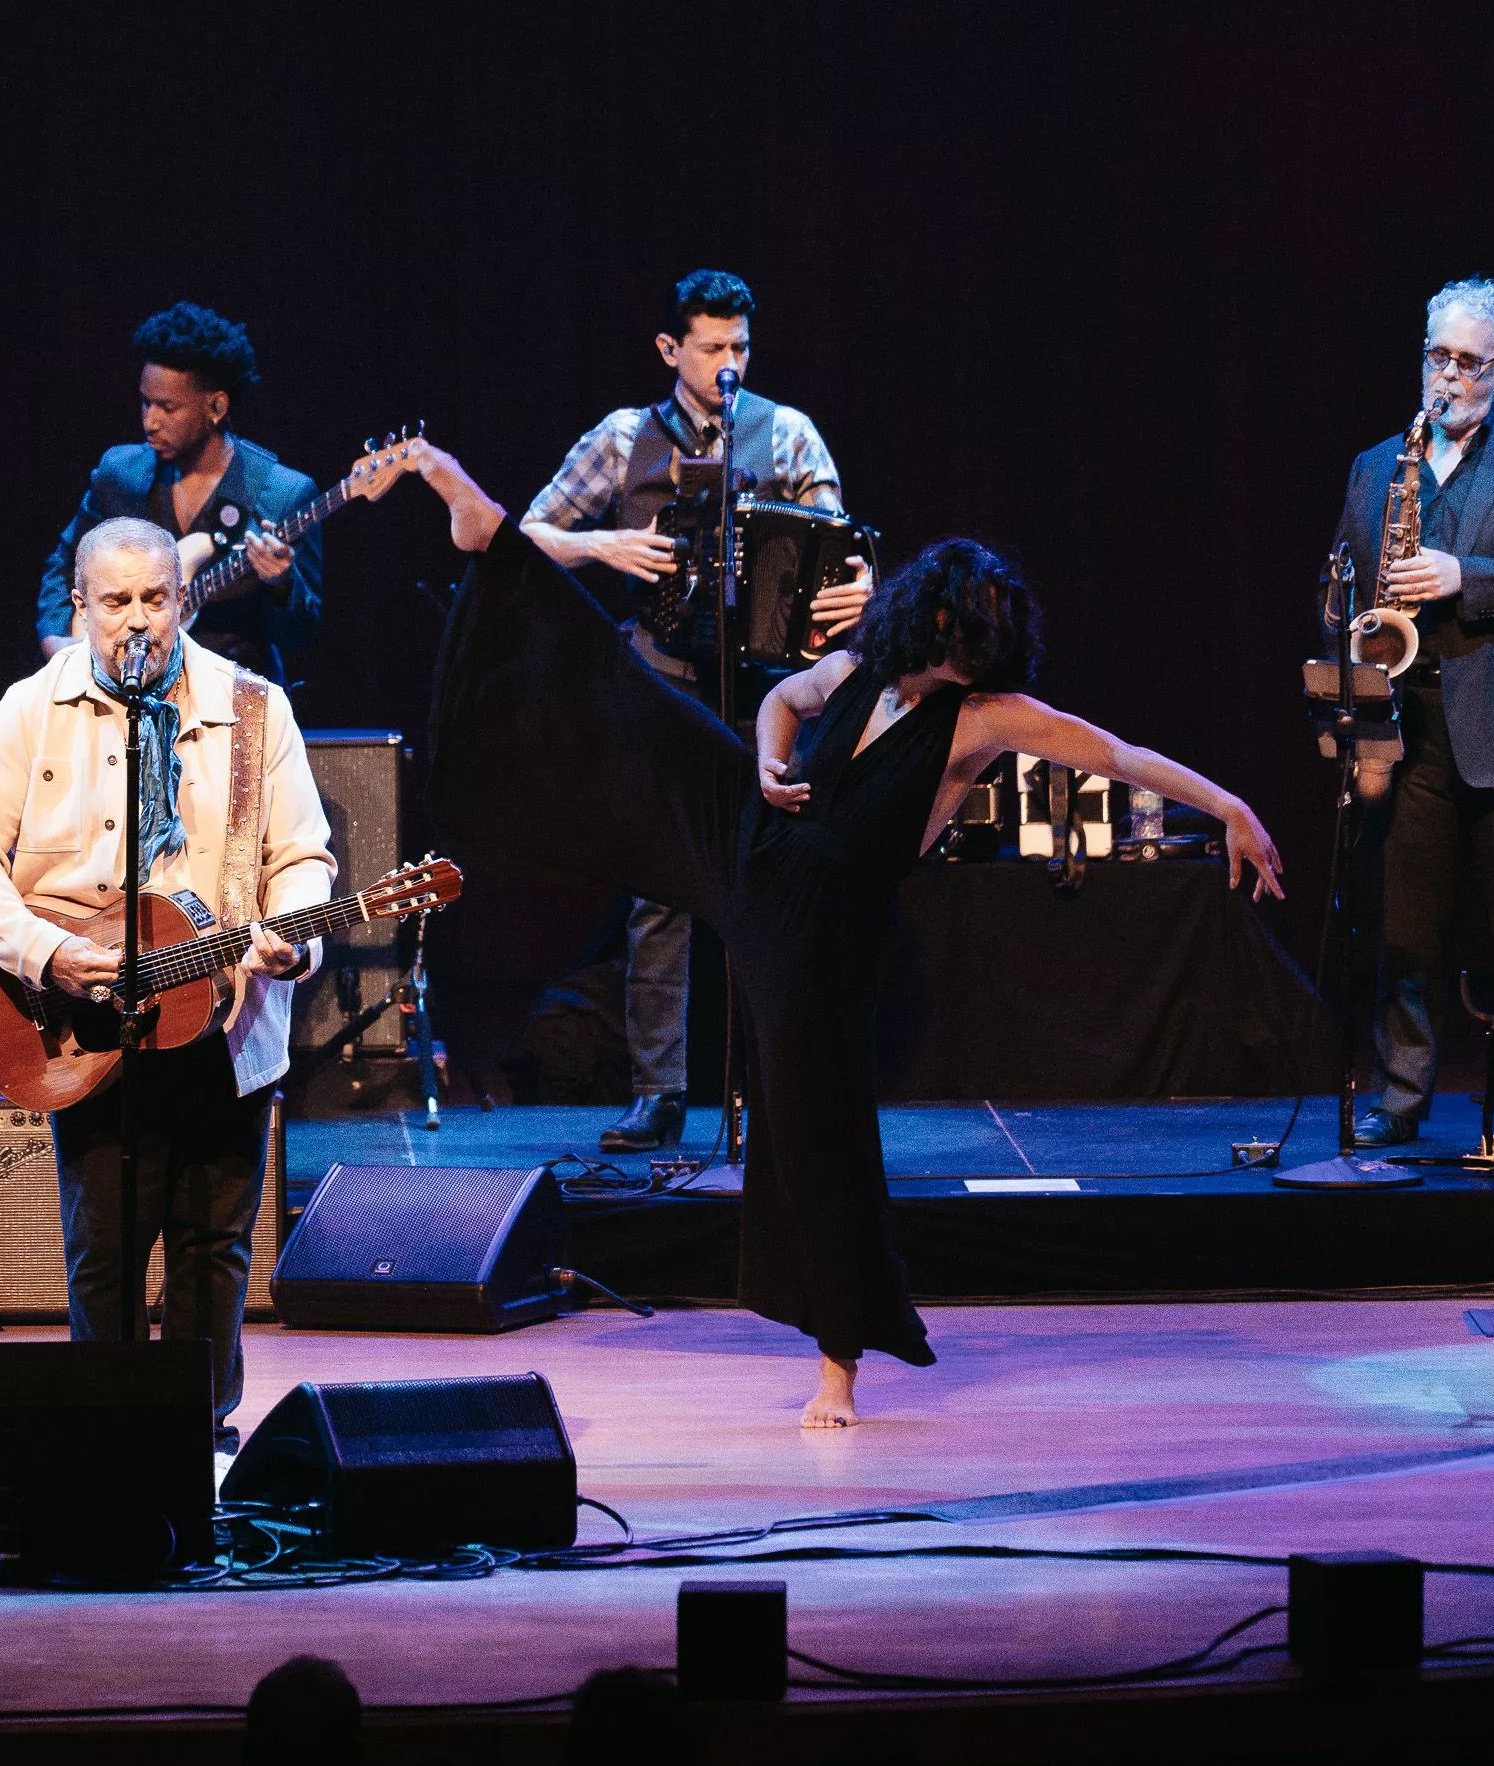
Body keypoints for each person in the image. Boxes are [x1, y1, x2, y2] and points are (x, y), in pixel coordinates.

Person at [412, 445, 1282, 1427]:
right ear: (926, 621)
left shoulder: (981, 719)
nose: (961, 654)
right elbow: (783, 700)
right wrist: (771, 766)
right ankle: (497, 540)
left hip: (817, 928)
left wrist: (1230, 806)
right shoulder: (864, 670)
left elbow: (1116, 753)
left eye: (976, 643)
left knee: (810, 1125)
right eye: (953, 635)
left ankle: (839, 1360)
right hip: (755, 847)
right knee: (644, 713)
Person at [0, 517, 336, 1445]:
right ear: (80, 608)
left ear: (184, 600)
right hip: (82, 1025)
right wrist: (43, 951)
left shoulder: (255, 710)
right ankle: (106, 1432)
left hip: (226, 1026)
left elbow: (302, 857)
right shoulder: (32, 709)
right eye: (114, 602)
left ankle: (201, 1438)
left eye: (155, 599)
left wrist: (293, 937)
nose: (137, 621)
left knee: (214, 1251)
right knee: (105, 1251)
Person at [521, 269, 873, 1154]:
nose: (729, 366)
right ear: (670, 350)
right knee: (660, 895)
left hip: (764, 692)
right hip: (662, 681)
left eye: (741, 347)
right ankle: (659, 1092)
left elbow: (842, 545)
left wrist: (853, 586)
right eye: (712, 348)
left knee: (777, 883)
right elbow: (526, 535)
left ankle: (783, 1085)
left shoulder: (785, 431)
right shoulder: (620, 438)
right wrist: (602, 544)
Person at [1337, 277, 1494, 1149]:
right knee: (1404, 934)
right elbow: (1346, 582)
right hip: (1410, 733)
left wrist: (1464, 578)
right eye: (1436, 356)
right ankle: (1399, 1099)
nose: (1447, 377)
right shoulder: (1378, 466)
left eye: (1468, 362)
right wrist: (1350, 624)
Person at [39, 301, 323, 683]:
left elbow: (299, 636)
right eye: (145, 402)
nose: (149, 421)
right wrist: (57, 640)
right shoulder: (121, 473)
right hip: (129, 696)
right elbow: (67, 562)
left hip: (234, 703)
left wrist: (280, 585)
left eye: (167, 408)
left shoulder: (282, 493)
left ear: (216, 406)